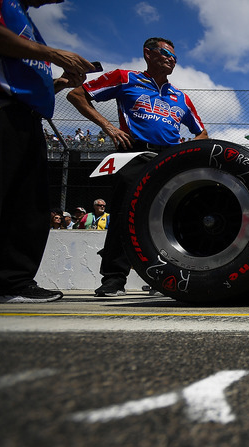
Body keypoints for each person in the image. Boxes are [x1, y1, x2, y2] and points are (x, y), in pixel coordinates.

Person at [67, 37, 208, 297]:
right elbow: (76, 95)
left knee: (171, 216)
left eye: (175, 57)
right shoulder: (125, 77)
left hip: (170, 160)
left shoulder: (181, 97)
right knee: (123, 214)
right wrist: (108, 126)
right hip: (135, 153)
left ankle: (165, 278)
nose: (171, 59)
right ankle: (113, 279)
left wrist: (184, 149)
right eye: (165, 53)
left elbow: (202, 133)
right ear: (148, 53)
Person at [0, 0, 94, 303]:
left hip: (29, 116)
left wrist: (61, 83)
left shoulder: (26, 19)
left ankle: (12, 282)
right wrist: (53, 53)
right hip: (5, 111)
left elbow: (26, 79)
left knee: (29, 206)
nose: (57, 1)